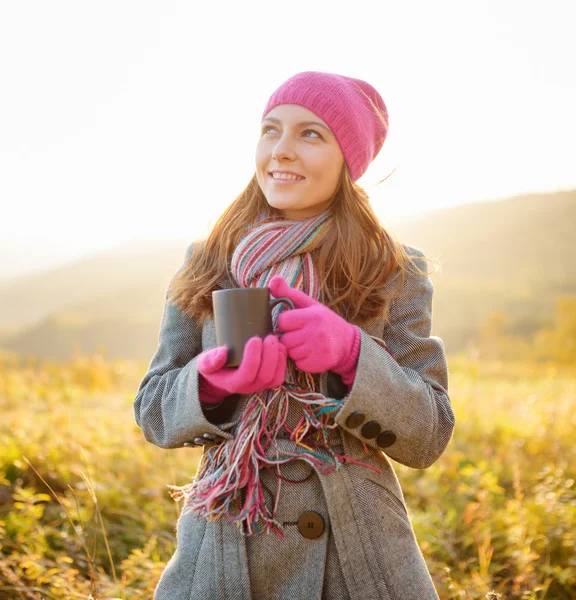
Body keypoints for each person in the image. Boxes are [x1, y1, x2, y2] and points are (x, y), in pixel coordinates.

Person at [133, 70, 455, 600]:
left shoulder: (393, 269)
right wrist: (211, 385)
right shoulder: (208, 259)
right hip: (227, 543)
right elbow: (152, 410)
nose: (281, 150)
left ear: (347, 159)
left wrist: (352, 356)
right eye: (270, 130)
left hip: (356, 549)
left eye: (311, 134)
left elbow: (430, 432)